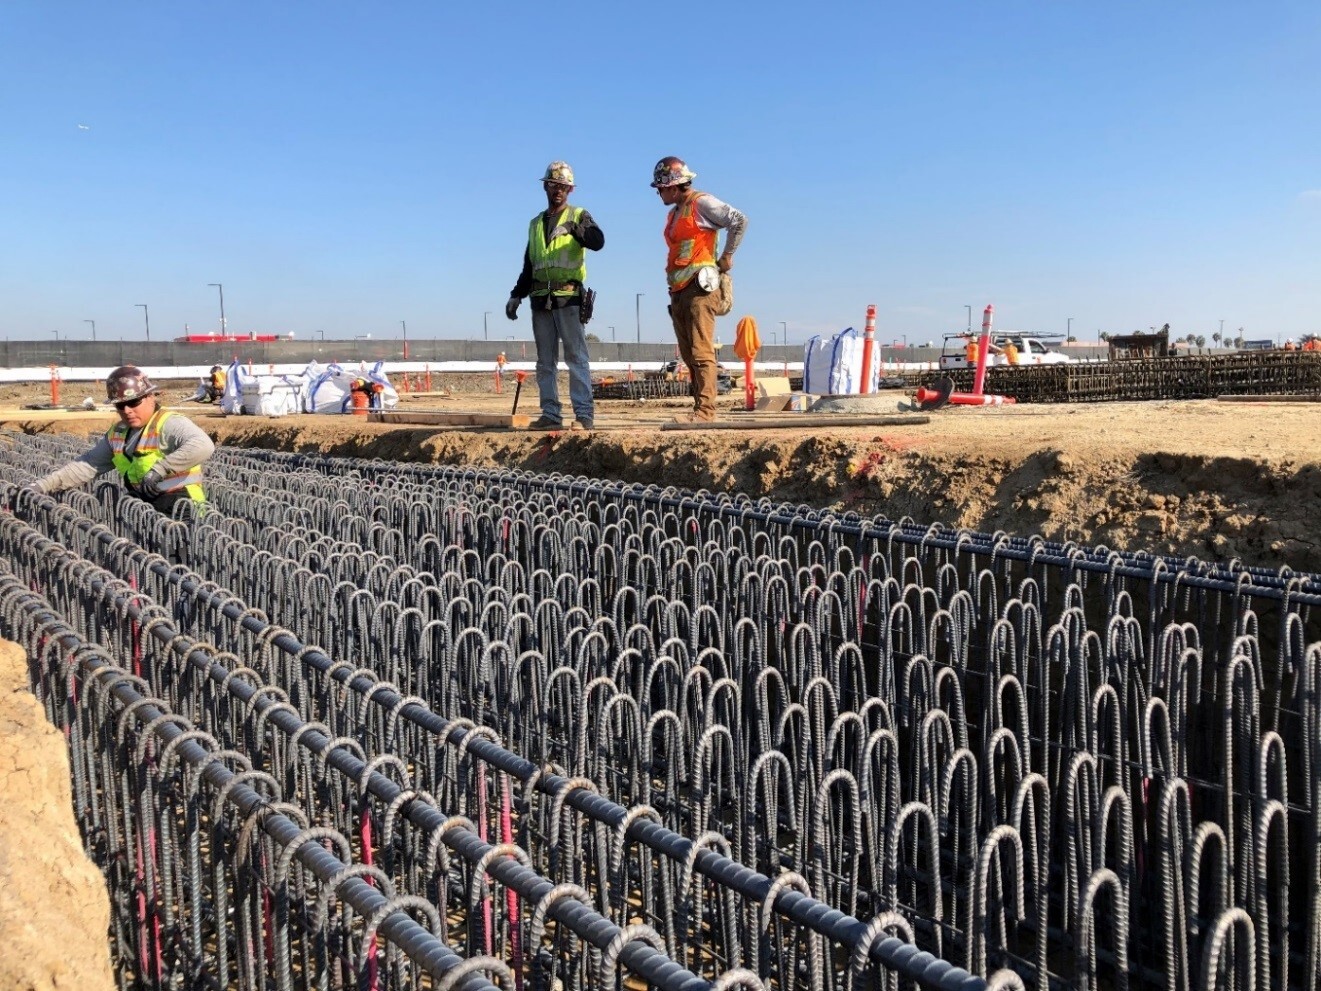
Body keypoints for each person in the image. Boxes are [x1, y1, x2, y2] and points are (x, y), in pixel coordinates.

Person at [29, 365, 214, 514]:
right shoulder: (118, 433)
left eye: (134, 402)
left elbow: (203, 445)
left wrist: (159, 469)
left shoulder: (169, 423)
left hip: (182, 509)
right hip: (143, 509)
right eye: (120, 405)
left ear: (150, 396)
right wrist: (40, 487)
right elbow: (87, 465)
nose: (127, 410)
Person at [506, 161, 604, 430]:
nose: (558, 190)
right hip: (540, 299)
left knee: (576, 358)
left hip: (569, 298)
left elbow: (598, 241)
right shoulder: (536, 223)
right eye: (553, 185)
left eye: (563, 186)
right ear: (546, 187)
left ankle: (584, 415)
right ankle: (551, 414)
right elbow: (530, 265)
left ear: (569, 189)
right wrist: (517, 295)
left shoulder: (579, 215)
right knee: (545, 362)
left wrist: (575, 229)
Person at [652, 156, 747, 422]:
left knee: (700, 350)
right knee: (688, 353)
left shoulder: (700, 203)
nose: (658, 193)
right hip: (679, 289)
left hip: (699, 286)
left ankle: (706, 412)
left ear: (673, 186)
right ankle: (699, 408)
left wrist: (727, 255)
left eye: (660, 188)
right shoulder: (674, 213)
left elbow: (738, 220)